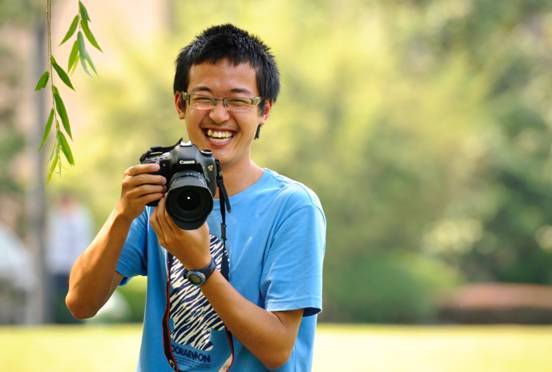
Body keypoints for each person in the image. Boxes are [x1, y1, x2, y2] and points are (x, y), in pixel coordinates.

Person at [66, 24, 326, 371]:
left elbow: (278, 348)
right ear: (180, 103)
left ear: (264, 110)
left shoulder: (292, 207)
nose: (219, 115)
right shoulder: (159, 194)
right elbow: (80, 303)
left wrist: (201, 267)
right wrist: (122, 214)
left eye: (237, 100)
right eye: (204, 98)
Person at [46, 192, 92, 323]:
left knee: (77, 296)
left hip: (76, 263)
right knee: (59, 296)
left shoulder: (81, 216)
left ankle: (76, 321)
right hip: (59, 264)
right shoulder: (56, 216)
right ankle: (59, 320)